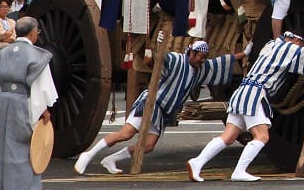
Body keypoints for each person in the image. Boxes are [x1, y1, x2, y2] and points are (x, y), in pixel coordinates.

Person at [187, 26, 304, 182]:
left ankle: (197, 162)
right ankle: (239, 171)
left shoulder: (271, 45)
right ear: (294, 40)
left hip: (242, 91)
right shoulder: (286, 47)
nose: (300, 46)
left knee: (227, 137)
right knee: (261, 136)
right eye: (300, 43)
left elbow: (297, 55)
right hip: (254, 95)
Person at [75, 40, 240, 174]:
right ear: (191, 53)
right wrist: (156, 50)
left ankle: (111, 159)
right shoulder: (177, 60)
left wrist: (245, 54)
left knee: (148, 146)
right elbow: (159, 59)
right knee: (125, 134)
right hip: (150, 103)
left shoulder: (200, 69)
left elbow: (220, 63)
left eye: (204, 58)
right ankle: (88, 155)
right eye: (200, 57)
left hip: (161, 112)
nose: (202, 61)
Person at [0, 16, 57, 190]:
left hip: (3, 98)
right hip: (22, 101)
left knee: (2, 145)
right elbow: (41, 88)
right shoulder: (36, 55)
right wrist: (43, 110)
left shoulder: (3, 52)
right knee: (24, 144)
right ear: (33, 33)